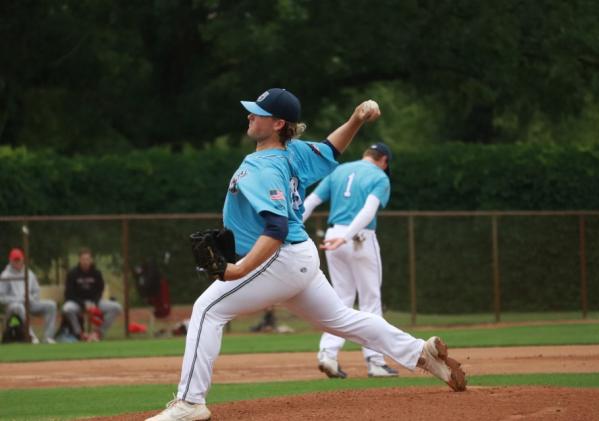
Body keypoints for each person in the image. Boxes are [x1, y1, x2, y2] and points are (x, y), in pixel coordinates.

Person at [146, 88, 466, 421]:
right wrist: (356, 119)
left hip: (281, 257)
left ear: (278, 122)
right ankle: (421, 352)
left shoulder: (266, 167)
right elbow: (331, 148)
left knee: (207, 309)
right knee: (343, 319)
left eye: (258, 112)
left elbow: (276, 229)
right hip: (299, 258)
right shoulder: (293, 152)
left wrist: (239, 270)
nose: (249, 115)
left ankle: (191, 402)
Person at [302, 142, 397, 378]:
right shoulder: (380, 176)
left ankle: (328, 354)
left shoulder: (340, 170)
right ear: (383, 160)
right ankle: (375, 361)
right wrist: (347, 237)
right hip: (358, 237)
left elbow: (310, 202)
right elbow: (367, 212)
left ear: (367, 154)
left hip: (333, 236)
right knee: (370, 302)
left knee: (341, 301)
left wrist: (287, 229)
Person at [62, 248, 122, 341]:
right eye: (83, 259)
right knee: (67, 308)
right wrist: (83, 304)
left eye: (87, 259)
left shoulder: (96, 273)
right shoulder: (72, 273)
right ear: (79, 260)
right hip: (78, 303)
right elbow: (69, 294)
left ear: (91, 260)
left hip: (95, 302)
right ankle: (80, 334)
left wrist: (94, 303)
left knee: (117, 307)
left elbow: (100, 290)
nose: (85, 262)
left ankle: (98, 333)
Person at [0, 248, 57, 344]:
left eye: (19, 259)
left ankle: (48, 337)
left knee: (51, 305)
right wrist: (18, 299)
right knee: (19, 307)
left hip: (30, 303)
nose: (17, 262)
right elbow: (1, 298)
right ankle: (31, 337)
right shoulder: (5, 276)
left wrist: (31, 298)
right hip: (13, 307)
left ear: (23, 259)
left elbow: (36, 291)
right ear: (10, 260)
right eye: (15, 260)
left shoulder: (29, 274)